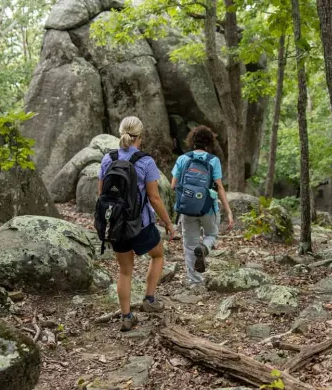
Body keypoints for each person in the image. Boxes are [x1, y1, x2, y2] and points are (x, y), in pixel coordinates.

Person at [98, 116, 175, 332]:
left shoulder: (108, 159)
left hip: (116, 225)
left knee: (125, 271)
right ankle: (149, 299)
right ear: (140, 137)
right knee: (158, 253)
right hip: (140, 224)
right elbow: (155, 198)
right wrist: (168, 222)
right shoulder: (145, 161)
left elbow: (101, 194)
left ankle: (126, 317)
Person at [171, 125, 233, 287]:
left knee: (189, 244)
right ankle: (204, 247)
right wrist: (229, 211)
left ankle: (194, 282)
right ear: (209, 142)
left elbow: (173, 185)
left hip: (187, 208)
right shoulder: (213, 161)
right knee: (212, 233)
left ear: (192, 141)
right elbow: (219, 187)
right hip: (208, 207)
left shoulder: (183, 159)